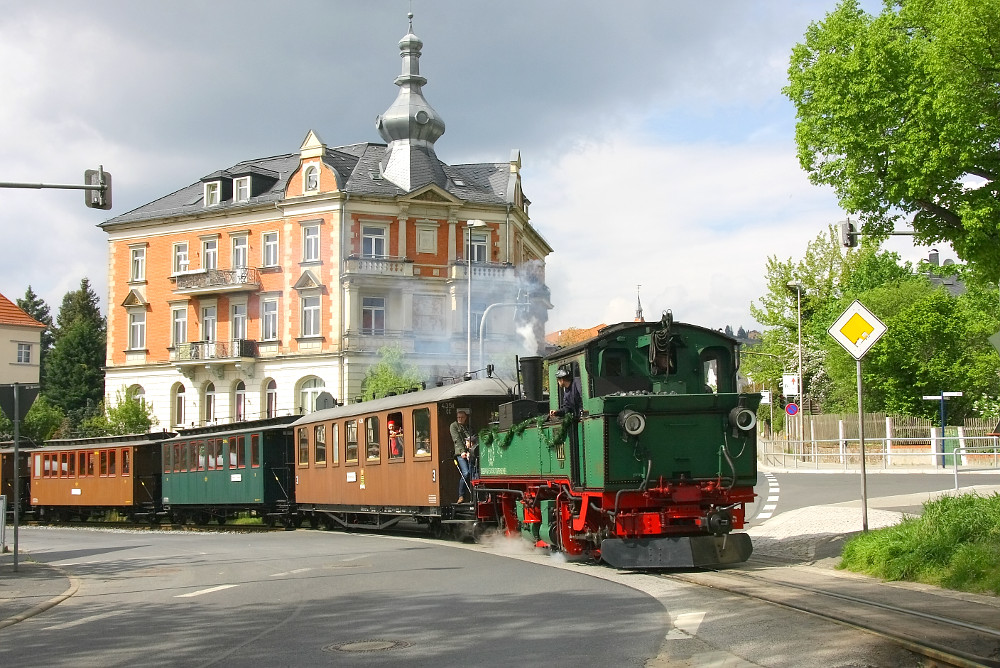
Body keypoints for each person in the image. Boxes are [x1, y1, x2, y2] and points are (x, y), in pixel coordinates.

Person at [550, 368, 584, 485]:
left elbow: (583, 399)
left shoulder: (577, 383)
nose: (558, 383)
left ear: (562, 379)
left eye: (558, 380)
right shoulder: (567, 391)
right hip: (576, 420)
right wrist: (557, 412)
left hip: (582, 419)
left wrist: (581, 413)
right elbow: (567, 408)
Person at [451, 409, 474, 503]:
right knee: (466, 473)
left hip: (470, 453)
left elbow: (472, 437)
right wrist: (463, 452)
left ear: (466, 418)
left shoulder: (468, 427)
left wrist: (470, 446)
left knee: (474, 473)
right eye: (458, 417)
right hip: (460, 454)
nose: (460, 419)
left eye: (462, 417)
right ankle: (461, 495)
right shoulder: (454, 426)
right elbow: (457, 439)